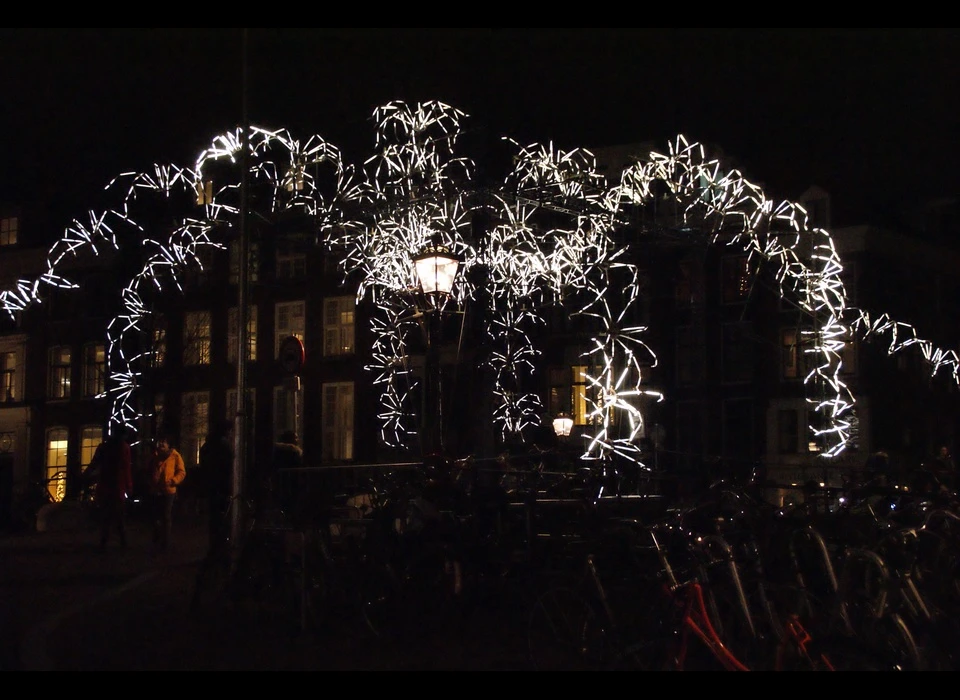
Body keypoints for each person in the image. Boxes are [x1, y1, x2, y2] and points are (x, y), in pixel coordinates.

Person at [93, 427, 133, 549]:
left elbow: (95, 463)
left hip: (105, 485)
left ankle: (104, 541)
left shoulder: (103, 447)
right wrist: (129, 486)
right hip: (117, 486)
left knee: (106, 516)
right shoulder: (123, 448)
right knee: (119, 516)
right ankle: (122, 541)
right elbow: (126, 468)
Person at [198, 419, 234, 553]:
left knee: (214, 517)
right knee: (222, 517)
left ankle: (214, 545)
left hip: (211, 486)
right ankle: (221, 547)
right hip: (221, 486)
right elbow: (228, 467)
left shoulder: (207, 446)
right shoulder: (224, 445)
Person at [149, 435, 186, 552]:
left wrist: (174, 481)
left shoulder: (175, 456)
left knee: (166, 515)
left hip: (169, 490)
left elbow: (181, 471)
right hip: (156, 490)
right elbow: (149, 470)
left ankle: (166, 542)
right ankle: (157, 537)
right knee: (155, 516)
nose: (160, 444)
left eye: (163, 442)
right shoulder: (154, 456)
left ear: (169, 445)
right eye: (159, 442)